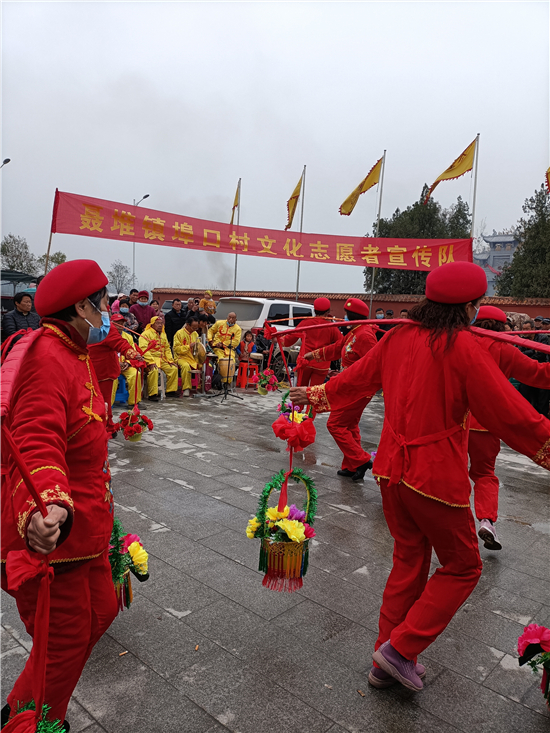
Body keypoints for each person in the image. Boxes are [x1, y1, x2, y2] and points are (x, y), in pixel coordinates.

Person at [290, 261, 550, 693]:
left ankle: (384, 658)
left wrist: (316, 394)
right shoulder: (464, 347)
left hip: (391, 471)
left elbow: (356, 379)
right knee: (463, 567)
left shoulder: (397, 337)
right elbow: (512, 415)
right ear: (467, 307)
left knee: (408, 562)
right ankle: (400, 649)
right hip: (434, 477)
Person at [1, 260, 119, 730]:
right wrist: (47, 503)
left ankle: (20, 706)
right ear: (83, 307)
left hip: (91, 526)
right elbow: (35, 437)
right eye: (104, 304)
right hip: (60, 531)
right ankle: (37, 722)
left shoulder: (75, 350)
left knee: (103, 610)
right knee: (64, 641)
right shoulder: (47, 356)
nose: (108, 312)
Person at [469, 305, 550, 550]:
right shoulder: (504, 349)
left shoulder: (460, 343)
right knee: (484, 474)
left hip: (453, 421)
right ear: (502, 326)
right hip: (487, 424)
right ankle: (486, 520)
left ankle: (453, 520)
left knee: (453, 471)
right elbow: (538, 374)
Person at [304, 298, 377, 481]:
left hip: (357, 390)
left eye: (346, 315)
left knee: (335, 424)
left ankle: (361, 460)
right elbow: (337, 348)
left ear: (351, 316)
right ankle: (352, 465)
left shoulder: (365, 336)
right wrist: (314, 355)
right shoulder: (354, 332)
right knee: (349, 425)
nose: (344, 318)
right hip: (348, 386)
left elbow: (373, 366)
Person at [88, 313, 141, 437]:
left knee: (103, 400)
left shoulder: (106, 326)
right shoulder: (86, 322)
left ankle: (107, 427)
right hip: (88, 368)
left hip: (103, 370)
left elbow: (120, 343)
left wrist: (132, 354)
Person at [281, 298, 342, 387]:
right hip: (322, 363)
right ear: (328, 311)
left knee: (301, 388)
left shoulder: (305, 323)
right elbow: (341, 343)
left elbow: (289, 339)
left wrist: (279, 339)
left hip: (305, 361)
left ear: (314, 310)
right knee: (316, 391)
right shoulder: (332, 327)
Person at [138, 314, 179, 401]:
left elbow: (167, 348)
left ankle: (170, 391)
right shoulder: (145, 334)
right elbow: (143, 349)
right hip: (150, 359)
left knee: (173, 369)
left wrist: (170, 360)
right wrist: (150, 362)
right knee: (154, 370)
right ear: (152, 324)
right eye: (157, 323)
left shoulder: (163, 334)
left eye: (161, 323)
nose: (160, 325)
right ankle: (152, 394)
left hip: (162, 359)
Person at [114, 314, 143, 408]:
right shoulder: (106, 336)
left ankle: (134, 402)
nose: (120, 326)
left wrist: (128, 363)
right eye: (117, 323)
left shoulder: (128, 336)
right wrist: (116, 363)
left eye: (122, 323)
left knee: (135, 374)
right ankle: (108, 404)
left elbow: (132, 351)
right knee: (112, 378)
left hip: (125, 365)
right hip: (112, 365)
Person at [173, 315, 203, 396]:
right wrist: (189, 346)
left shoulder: (195, 334)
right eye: (193, 327)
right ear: (187, 324)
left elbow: (198, 348)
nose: (194, 329)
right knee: (186, 366)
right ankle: (186, 388)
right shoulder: (179, 333)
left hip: (192, 357)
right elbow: (176, 349)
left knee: (205, 365)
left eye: (196, 328)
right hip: (180, 357)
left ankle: (202, 387)